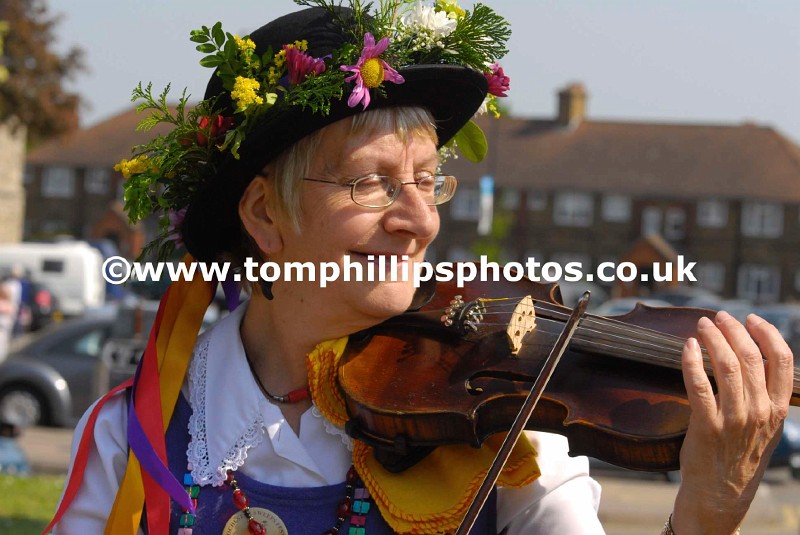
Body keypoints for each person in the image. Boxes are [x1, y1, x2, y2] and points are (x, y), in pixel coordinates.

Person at [49, 2, 794, 534]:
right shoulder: (135, 433)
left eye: (428, 181)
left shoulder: (507, 429)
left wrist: (705, 514)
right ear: (265, 214)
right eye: (373, 183)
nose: (421, 220)